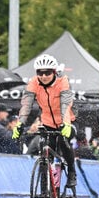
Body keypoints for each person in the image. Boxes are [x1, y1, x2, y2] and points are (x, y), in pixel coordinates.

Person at [19, 54, 78, 188]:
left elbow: (66, 105)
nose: (44, 76)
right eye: (40, 72)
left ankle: (72, 171)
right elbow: (26, 104)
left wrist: (66, 123)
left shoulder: (63, 81)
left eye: (47, 72)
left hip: (68, 120)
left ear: (54, 72)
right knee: (45, 151)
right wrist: (19, 123)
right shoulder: (34, 82)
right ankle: (47, 197)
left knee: (63, 141)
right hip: (48, 123)